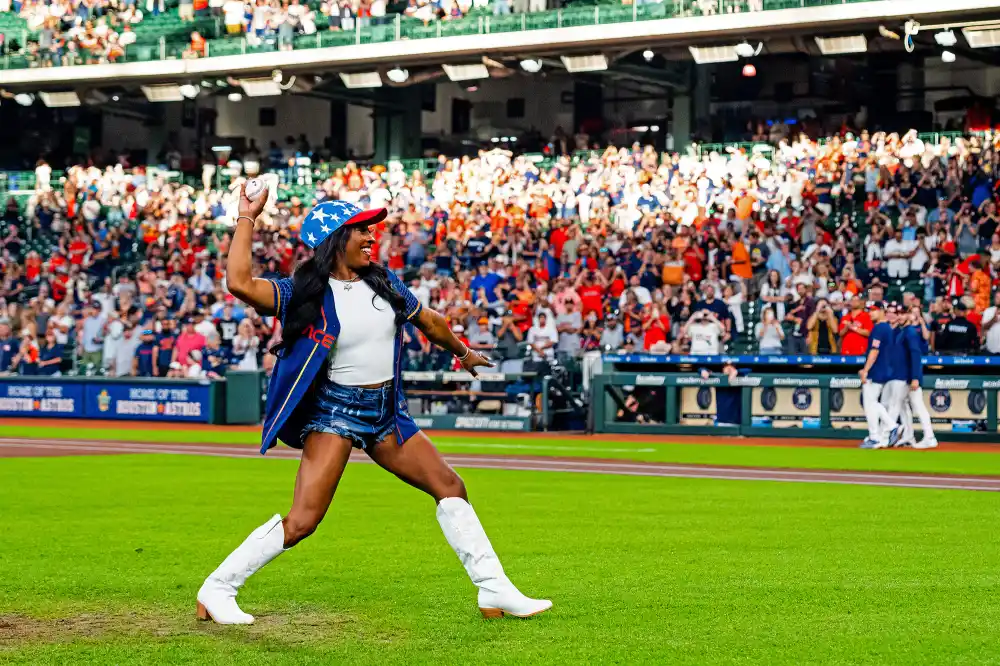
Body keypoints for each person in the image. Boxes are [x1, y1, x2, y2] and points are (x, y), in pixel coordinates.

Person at [196, 187, 551, 625]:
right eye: (361, 229)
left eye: (370, 228)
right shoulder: (302, 292)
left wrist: (463, 353)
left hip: (387, 413)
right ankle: (218, 588)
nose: (371, 235)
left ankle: (493, 588)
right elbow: (240, 284)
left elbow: (429, 321)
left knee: (450, 486)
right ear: (335, 239)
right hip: (335, 413)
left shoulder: (383, 281)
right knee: (303, 521)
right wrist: (247, 217)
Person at [858, 302, 899, 449]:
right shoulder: (887, 328)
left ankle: (886, 430)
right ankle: (875, 435)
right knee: (872, 403)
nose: (871, 313)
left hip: (876, 370)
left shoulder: (879, 328)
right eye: (869, 310)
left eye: (874, 310)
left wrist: (865, 370)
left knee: (870, 403)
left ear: (882, 311)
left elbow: (874, 351)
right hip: (884, 369)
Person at [897, 308, 937, 449]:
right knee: (901, 404)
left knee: (918, 406)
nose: (900, 316)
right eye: (898, 314)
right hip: (904, 376)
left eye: (903, 314)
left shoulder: (911, 332)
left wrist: (915, 377)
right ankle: (908, 436)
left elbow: (916, 356)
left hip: (911, 376)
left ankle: (929, 437)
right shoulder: (904, 331)